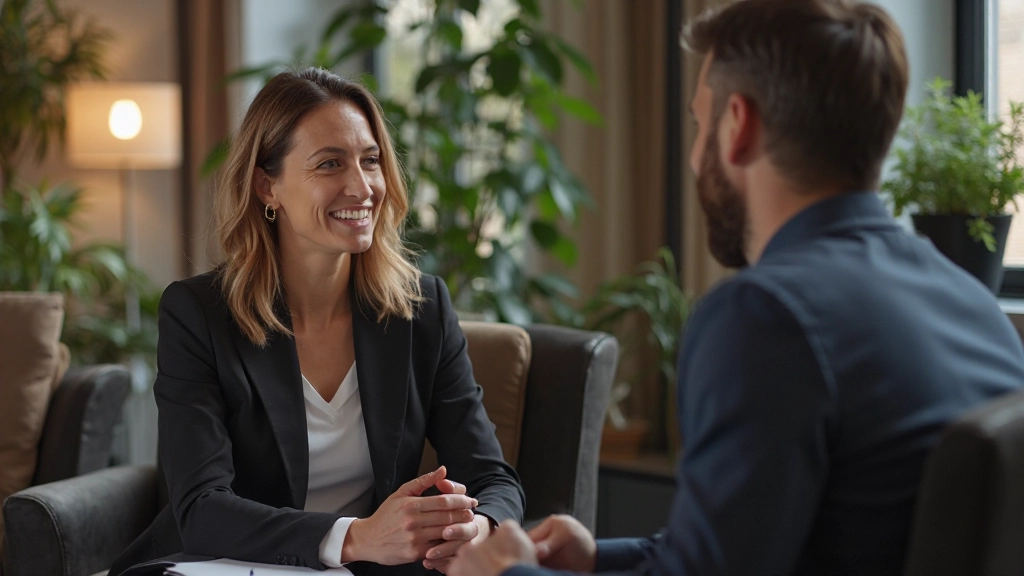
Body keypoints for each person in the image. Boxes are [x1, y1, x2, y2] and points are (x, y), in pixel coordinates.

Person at [448, 1, 1024, 575]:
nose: (697, 158)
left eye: (700, 124)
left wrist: (507, 575)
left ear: (738, 125)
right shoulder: (973, 304)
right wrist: (598, 559)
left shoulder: (767, 317)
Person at [110, 67, 524, 576]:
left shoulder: (423, 309)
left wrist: (476, 527)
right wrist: (357, 536)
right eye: (329, 164)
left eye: (370, 161)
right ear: (268, 186)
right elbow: (201, 508)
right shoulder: (199, 315)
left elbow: (494, 479)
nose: (362, 186)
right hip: (224, 566)